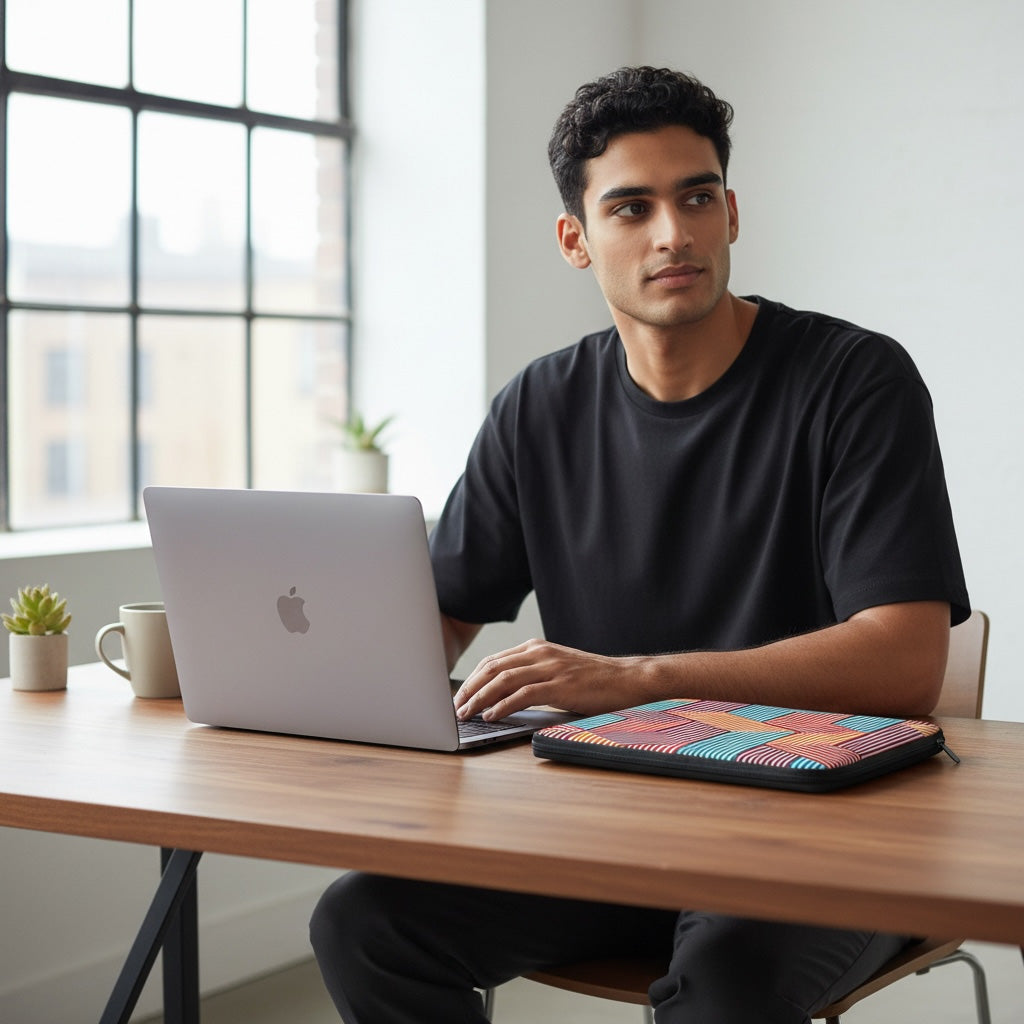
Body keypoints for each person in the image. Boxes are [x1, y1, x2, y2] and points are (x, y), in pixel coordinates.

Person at [310, 66, 970, 1023]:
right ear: (576, 239)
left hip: (824, 834)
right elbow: (440, 618)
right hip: (615, 827)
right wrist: (308, 680)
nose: (675, 233)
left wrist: (637, 679)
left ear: (732, 214)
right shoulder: (537, 407)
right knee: (363, 923)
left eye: (697, 197)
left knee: (726, 983)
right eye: (633, 207)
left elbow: (908, 660)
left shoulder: (854, 381)